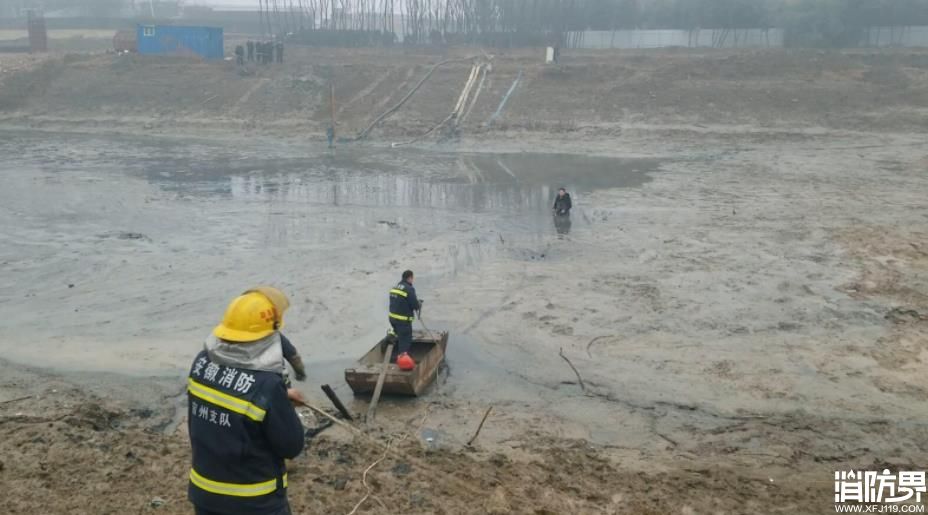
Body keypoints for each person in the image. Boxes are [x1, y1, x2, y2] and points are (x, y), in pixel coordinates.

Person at [187, 291, 305, 515]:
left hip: (204, 494)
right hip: (254, 501)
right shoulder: (268, 385)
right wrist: (282, 403)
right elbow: (291, 446)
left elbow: (225, 402)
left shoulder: (201, 363)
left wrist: (278, 399)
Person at [388, 270, 422, 367]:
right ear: (410, 278)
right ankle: (403, 364)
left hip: (392, 320)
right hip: (403, 322)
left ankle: (390, 337)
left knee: (397, 333)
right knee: (405, 342)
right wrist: (418, 304)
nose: (413, 280)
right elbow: (415, 305)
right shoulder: (409, 289)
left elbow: (398, 302)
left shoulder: (394, 288)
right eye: (412, 278)